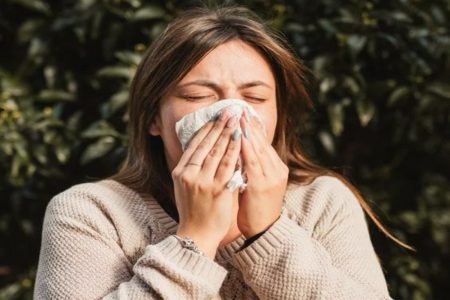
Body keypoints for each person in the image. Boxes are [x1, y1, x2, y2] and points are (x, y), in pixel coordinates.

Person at [34, 5, 412, 299]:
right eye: (198, 96)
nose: (232, 114)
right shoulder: (90, 212)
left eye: (254, 97)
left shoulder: (322, 202)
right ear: (153, 118)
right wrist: (195, 239)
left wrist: (266, 234)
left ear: (277, 114)